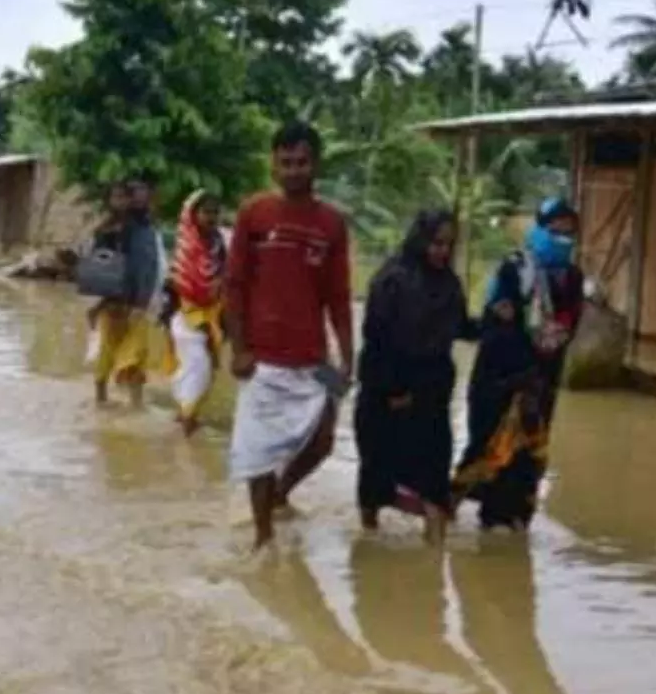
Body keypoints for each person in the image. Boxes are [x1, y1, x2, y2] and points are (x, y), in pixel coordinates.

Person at [226, 121, 354, 550]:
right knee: (258, 450)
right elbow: (235, 285)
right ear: (273, 165)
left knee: (323, 441)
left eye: (302, 162)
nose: (294, 170)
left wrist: (347, 361)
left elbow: (338, 297)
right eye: (286, 162)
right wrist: (239, 348)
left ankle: (283, 493)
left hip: (315, 358)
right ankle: (263, 538)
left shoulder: (333, 223)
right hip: (262, 359)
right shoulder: (253, 214)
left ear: (316, 164)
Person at [453, 196, 585, 532]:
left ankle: (515, 526)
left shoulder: (571, 279)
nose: (562, 239)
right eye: (555, 230)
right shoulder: (515, 268)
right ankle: (453, 516)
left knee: (528, 459)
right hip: (499, 382)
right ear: (540, 229)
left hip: (541, 385)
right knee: (487, 451)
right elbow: (496, 325)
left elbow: (565, 331)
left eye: (569, 233)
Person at [354, 210, 474, 543]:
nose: (443, 252)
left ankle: (434, 560)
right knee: (376, 473)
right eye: (436, 243)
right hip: (387, 390)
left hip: (432, 392)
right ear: (421, 241)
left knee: (435, 475)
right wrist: (394, 389)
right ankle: (368, 544)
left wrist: (494, 322)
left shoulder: (449, 283)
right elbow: (375, 335)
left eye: (449, 245)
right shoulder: (392, 279)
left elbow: (461, 327)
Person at [86, 176, 164, 408]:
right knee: (106, 353)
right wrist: (98, 305)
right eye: (115, 197)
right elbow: (98, 271)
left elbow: (149, 269)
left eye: (125, 196)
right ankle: (100, 400)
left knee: (136, 356)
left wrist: (141, 304)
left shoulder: (143, 230)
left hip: (135, 304)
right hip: (112, 304)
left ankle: (135, 405)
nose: (120, 202)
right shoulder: (104, 230)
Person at [161, 189, 229, 436]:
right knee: (196, 365)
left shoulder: (219, 243)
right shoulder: (187, 247)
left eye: (215, 212)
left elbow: (226, 276)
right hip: (186, 316)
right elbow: (180, 285)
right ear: (193, 214)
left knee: (208, 368)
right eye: (205, 212)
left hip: (214, 314)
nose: (211, 217)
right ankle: (188, 423)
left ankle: (186, 416)